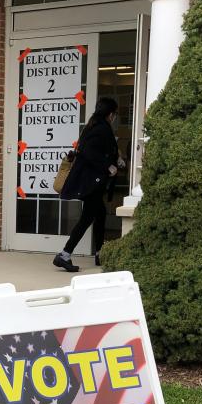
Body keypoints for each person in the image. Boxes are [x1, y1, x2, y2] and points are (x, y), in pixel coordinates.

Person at [53, 96, 125, 272]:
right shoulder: (101, 128)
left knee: (100, 214)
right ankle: (64, 255)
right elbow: (89, 151)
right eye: (114, 114)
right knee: (87, 218)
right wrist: (108, 165)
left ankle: (100, 253)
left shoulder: (94, 125)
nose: (114, 117)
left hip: (90, 181)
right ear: (110, 114)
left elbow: (98, 149)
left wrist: (116, 158)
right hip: (91, 183)